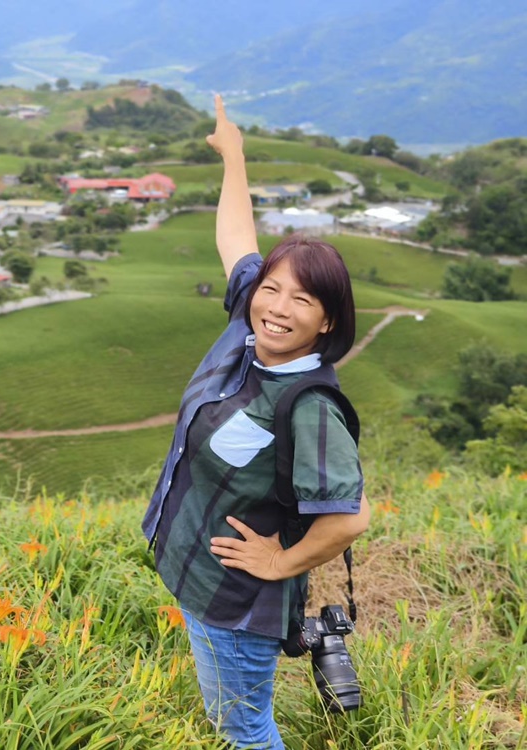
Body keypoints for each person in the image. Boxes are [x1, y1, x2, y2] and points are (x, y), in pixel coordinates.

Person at [141, 95, 371, 749]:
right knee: (229, 715)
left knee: (242, 727)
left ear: (326, 321)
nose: (277, 305)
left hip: (236, 601)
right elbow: (237, 241)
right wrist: (233, 155)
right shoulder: (252, 320)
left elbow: (350, 517)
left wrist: (281, 563)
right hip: (198, 575)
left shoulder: (309, 407)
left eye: (303, 299)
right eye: (272, 288)